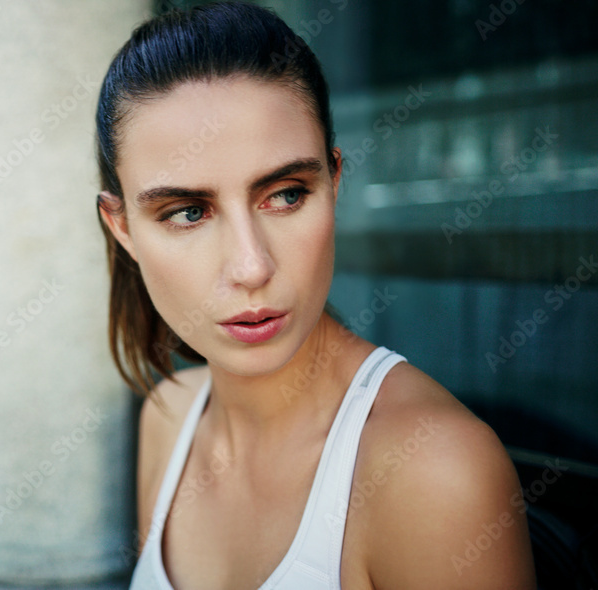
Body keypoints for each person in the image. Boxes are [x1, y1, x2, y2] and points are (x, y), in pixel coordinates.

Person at [93, 2, 536, 588]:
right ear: (121, 228)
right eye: (189, 212)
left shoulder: (436, 470)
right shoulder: (169, 414)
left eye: (285, 195)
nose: (252, 266)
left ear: (334, 181)